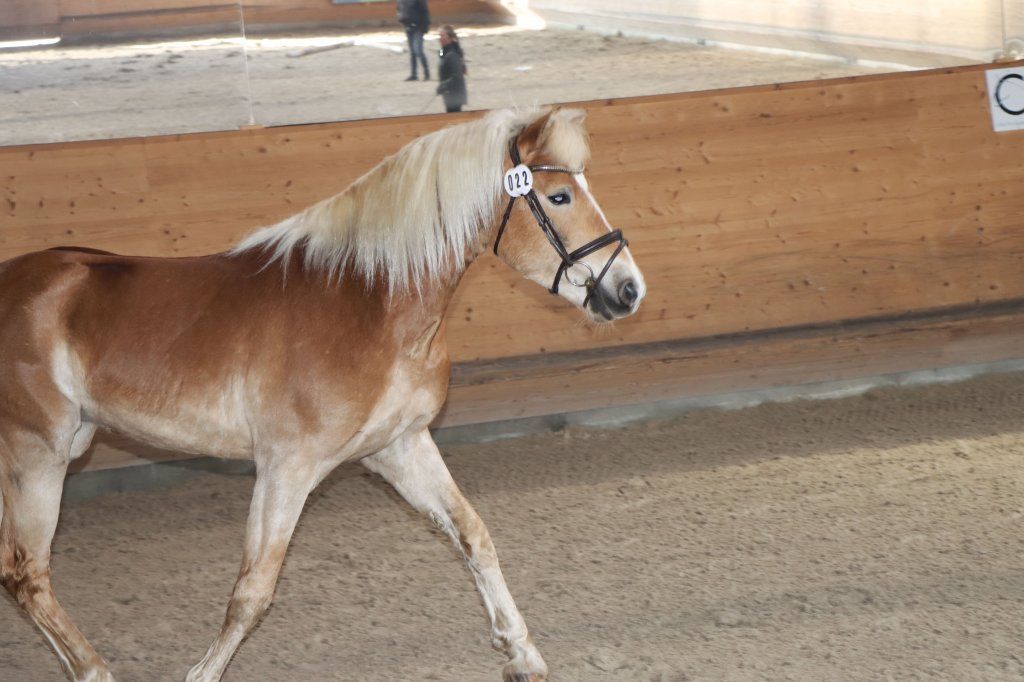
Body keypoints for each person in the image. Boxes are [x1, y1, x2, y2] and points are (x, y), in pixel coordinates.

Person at [436, 25, 467, 113]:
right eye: (439, 36)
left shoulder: (452, 54)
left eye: (442, 36)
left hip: (455, 95)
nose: (440, 39)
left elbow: (457, 76)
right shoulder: (445, 51)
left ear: (450, 38)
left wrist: (443, 85)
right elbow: (441, 55)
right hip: (450, 95)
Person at [397, 0, 430, 81]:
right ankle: (414, 74)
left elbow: (424, 11)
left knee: (418, 50)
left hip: (418, 27)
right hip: (408, 26)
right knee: (412, 52)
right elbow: (399, 10)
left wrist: (424, 27)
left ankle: (426, 72)